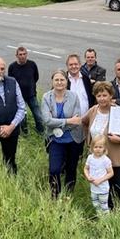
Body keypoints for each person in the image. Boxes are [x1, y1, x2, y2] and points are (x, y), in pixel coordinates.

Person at [81, 81, 120, 211]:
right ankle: (109, 214)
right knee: (105, 189)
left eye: (105, 95)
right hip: (98, 160)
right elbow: (83, 122)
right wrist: (88, 141)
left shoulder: (119, 112)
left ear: (111, 95)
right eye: (99, 95)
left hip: (116, 159)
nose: (102, 98)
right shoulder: (93, 110)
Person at [41, 69, 83, 198]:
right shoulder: (46, 97)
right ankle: (55, 196)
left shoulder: (74, 96)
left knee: (71, 169)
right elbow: (47, 120)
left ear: (66, 81)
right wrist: (68, 121)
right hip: (55, 139)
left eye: (62, 79)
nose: (59, 82)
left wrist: (59, 122)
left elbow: (77, 120)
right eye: (56, 80)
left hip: (73, 138)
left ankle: (68, 196)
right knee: (54, 169)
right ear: (52, 82)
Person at [8, 46, 44, 134]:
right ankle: (25, 133)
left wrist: (30, 86)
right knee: (22, 118)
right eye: (20, 54)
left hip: (31, 95)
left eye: (24, 54)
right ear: (16, 55)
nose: (23, 56)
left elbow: (36, 77)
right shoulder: (12, 67)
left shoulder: (32, 64)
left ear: (26, 54)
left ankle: (40, 131)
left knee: (38, 115)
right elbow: (10, 81)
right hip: (19, 97)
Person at [83, 136, 113, 216]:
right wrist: (88, 176)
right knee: (95, 204)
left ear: (104, 148)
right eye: (96, 147)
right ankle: (100, 218)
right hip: (93, 188)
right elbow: (86, 169)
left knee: (104, 205)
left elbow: (111, 173)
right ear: (92, 147)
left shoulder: (106, 160)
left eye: (100, 147)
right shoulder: (90, 158)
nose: (98, 149)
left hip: (103, 188)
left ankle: (107, 221)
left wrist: (100, 180)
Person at [65, 54, 93, 139]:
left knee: (84, 145)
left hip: (86, 121)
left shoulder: (85, 79)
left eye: (76, 64)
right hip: (70, 123)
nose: (74, 66)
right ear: (67, 66)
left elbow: (90, 97)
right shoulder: (63, 80)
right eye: (71, 64)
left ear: (80, 65)